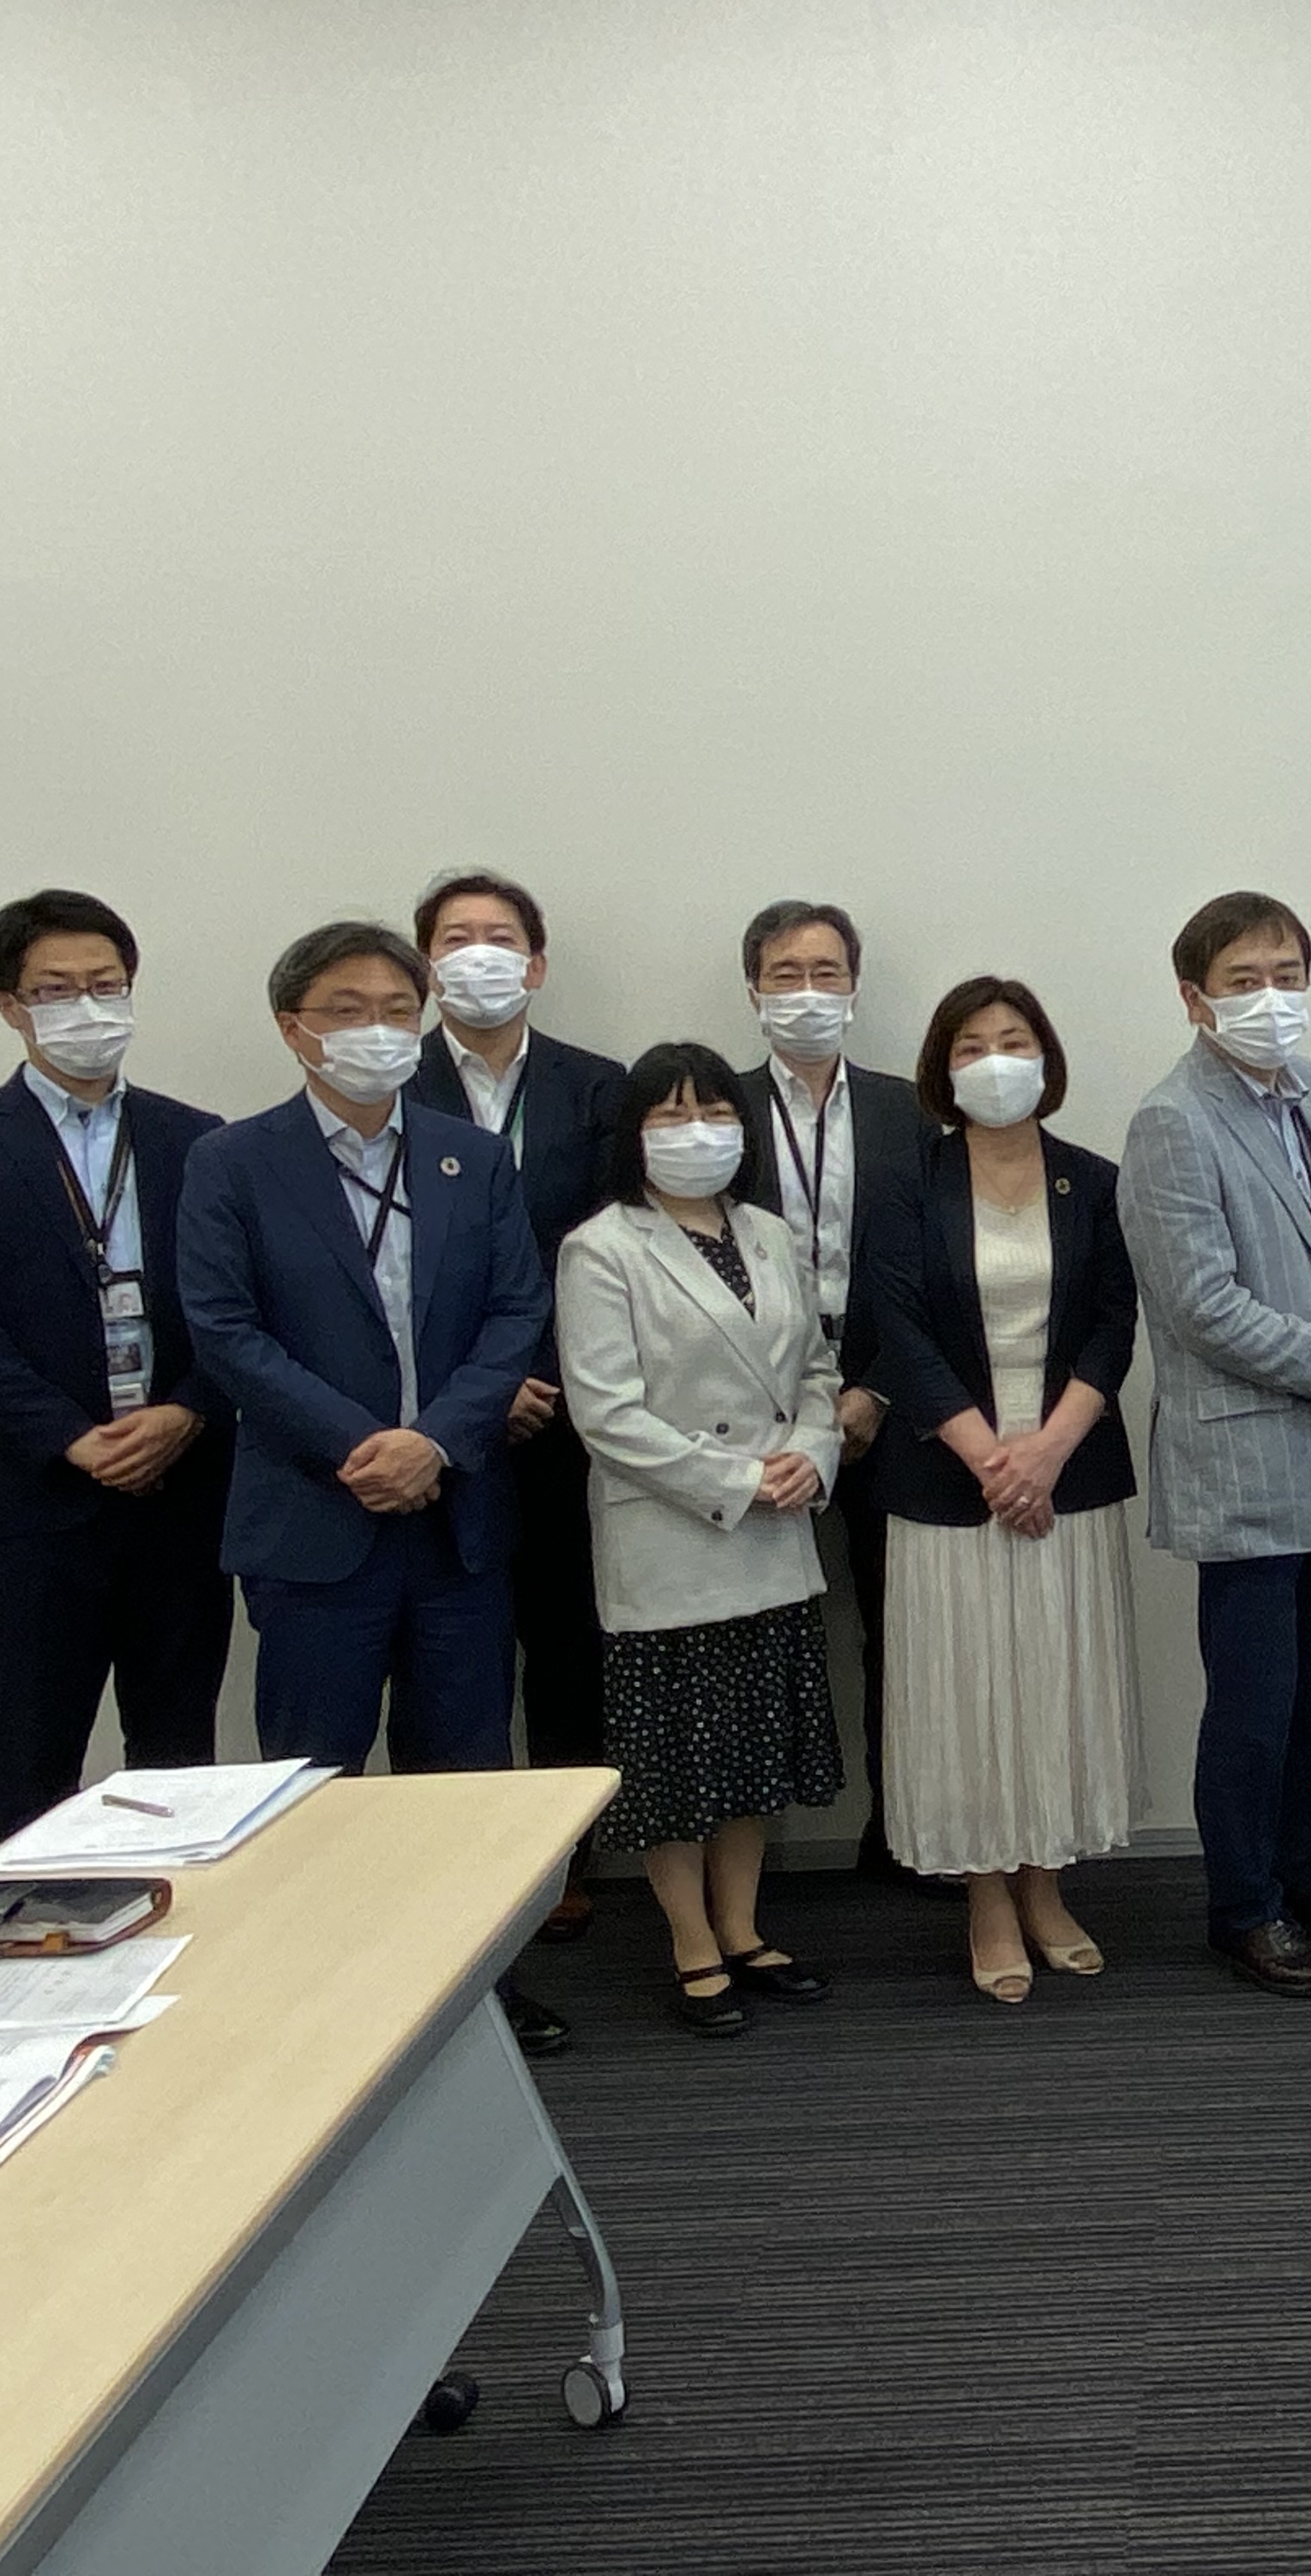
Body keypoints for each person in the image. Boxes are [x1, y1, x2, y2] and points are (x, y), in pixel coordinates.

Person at [172, 919, 568, 2055]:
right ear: (292, 1028)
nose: (378, 1031)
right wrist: (365, 1445)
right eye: (347, 1011)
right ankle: (325, 2003)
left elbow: (516, 1310)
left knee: (465, 1775)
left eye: (399, 1009)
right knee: (318, 1778)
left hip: (457, 1517)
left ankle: (475, 1994)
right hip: (316, 1518)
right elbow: (226, 1331)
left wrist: (434, 1442)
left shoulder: (468, 1157)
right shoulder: (231, 1163)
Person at [1118, 889, 1311, 2000]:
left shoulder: (1310, 1088)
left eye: (1288, 976)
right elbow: (1204, 1308)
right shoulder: (1172, 1121)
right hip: (1246, 1459)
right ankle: (1244, 1910)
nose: (1271, 999)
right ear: (1194, 998)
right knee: (1255, 1710)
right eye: (1244, 981)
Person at [0, 890, 235, 1834]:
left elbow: (240, 1303)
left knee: (179, 1757)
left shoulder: (198, 1138)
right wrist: (71, 1438)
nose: (88, 1008)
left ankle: (180, 1914)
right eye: (56, 990)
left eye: (106, 986)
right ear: (9, 1003)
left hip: (182, 1488)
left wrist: (190, 1409)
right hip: (34, 1499)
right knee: (33, 1758)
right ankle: (32, 1920)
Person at [554, 1045, 846, 2035]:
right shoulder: (602, 1247)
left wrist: (811, 1454)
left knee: (753, 1752)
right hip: (677, 1531)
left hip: (775, 1528)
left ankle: (744, 1928)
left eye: (714, 1113)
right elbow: (606, 1414)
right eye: (671, 1116)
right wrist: (738, 1480)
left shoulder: (769, 1232)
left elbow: (816, 1369)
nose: (697, 1133)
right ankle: (690, 1943)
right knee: (676, 1764)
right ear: (634, 1135)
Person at [863, 978, 1146, 2003]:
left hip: (1067, 1469)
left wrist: (1050, 1451)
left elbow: (1114, 1323)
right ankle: (986, 1895)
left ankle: (1046, 1886)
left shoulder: (1094, 1181)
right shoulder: (906, 1182)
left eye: (1014, 1041)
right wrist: (996, 1462)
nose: (995, 1062)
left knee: (1055, 1686)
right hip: (953, 1476)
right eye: (972, 1046)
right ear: (944, 1071)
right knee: (966, 1693)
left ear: (1046, 1058)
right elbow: (899, 1333)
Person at [405, 869, 628, 1939]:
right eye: (457, 938)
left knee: (569, 1645)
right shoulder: (390, 1084)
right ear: (426, 964)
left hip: (572, 1412)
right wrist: (482, 1392)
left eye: (500, 938)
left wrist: (545, 1372)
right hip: (435, 1419)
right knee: (452, 1654)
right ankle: (458, 1864)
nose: (480, 956)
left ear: (535, 965)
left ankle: (564, 1859)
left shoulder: (599, 1088)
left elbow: (618, 1247)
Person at [734, 898, 928, 1887]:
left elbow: (940, 1266)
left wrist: (877, 1391)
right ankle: (746, 1854)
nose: (807, 993)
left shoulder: (910, 1108)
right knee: (753, 1622)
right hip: (754, 1401)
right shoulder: (713, 1109)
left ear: (854, 988)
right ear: (754, 991)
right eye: (785, 975)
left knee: (901, 1624)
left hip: (890, 1388)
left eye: (826, 974)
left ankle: (904, 1830)